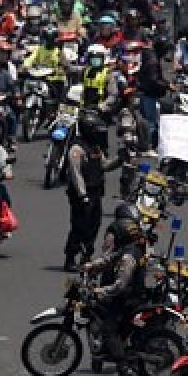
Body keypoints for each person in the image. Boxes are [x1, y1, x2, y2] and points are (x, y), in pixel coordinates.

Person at [84, 219, 147, 376]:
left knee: (108, 330)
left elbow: (120, 285)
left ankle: (123, 370)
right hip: (128, 297)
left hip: (128, 300)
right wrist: (91, 266)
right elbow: (109, 259)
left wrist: (101, 290)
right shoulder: (127, 250)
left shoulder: (128, 257)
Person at [64, 109, 120, 271]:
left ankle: (86, 256)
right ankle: (70, 258)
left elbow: (104, 165)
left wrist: (120, 159)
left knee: (94, 225)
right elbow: (76, 175)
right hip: (82, 194)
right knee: (79, 226)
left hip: (96, 192)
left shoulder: (95, 147)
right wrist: (83, 196)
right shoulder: (77, 149)